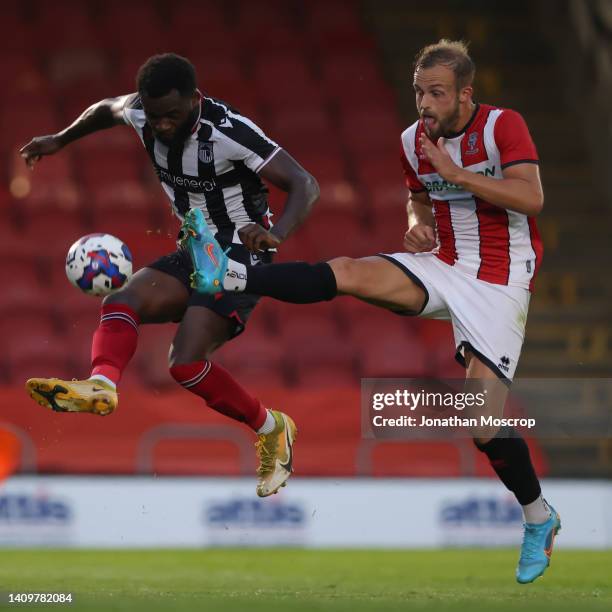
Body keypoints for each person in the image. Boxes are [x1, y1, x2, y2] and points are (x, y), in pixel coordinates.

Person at [182, 40, 560, 583]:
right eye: (418, 93)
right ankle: (236, 275)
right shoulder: (413, 140)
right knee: (350, 271)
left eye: (437, 93)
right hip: (444, 263)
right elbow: (420, 198)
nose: (425, 104)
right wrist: (415, 218)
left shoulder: (503, 126)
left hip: (500, 280)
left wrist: (456, 175)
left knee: (481, 421)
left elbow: (532, 199)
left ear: (465, 94)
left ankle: (538, 517)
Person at [20, 53, 320, 497]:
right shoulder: (143, 111)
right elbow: (106, 108)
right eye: (154, 116)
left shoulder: (228, 132)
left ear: (195, 99)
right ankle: (102, 385)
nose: (161, 125)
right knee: (122, 301)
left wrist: (275, 234)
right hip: (194, 249)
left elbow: (305, 184)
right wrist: (60, 140)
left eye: (172, 116)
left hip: (240, 256)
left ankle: (273, 428)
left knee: (184, 364)